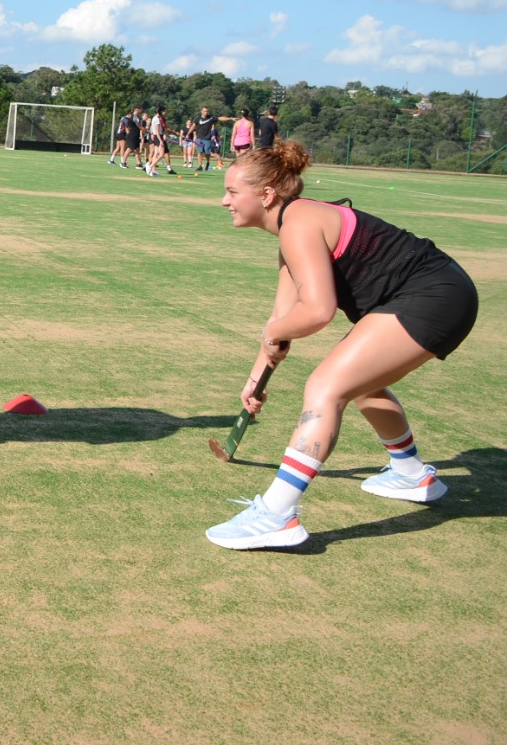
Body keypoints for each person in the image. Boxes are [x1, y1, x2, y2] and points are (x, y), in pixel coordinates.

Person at [204, 141, 477, 549]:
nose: (223, 201)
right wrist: (256, 378)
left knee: (326, 387)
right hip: (437, 292)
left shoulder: (298, 225)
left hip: (434, 295)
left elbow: (316, 312)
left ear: (266, 195)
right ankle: (411, 473)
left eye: (232, 192)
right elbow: (280, 323)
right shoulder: (291, 230)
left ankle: (277, 515)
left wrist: (273, 334)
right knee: (360, 382)